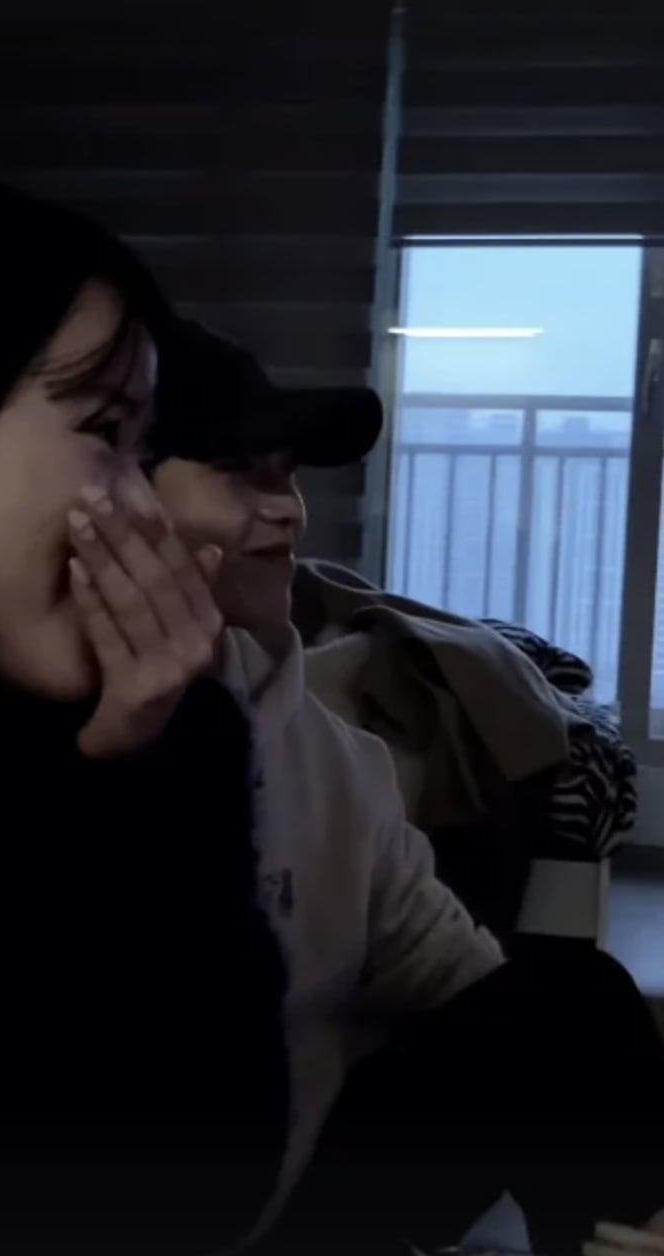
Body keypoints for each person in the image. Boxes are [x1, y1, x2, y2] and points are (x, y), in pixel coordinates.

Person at [0, 171, 294, 1254]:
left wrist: (142, 769)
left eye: (144, 451)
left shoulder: (141, 741)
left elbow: (204, 1187)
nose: (140, 503)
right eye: (103, 432)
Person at [149, 318, 664, 1256]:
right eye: (242, 474)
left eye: (288, 476)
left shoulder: (327, 754)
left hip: (304, 1197)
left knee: (571, 999)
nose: (290, 512)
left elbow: (460, 979)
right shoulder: (18, 746)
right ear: (115, 497)